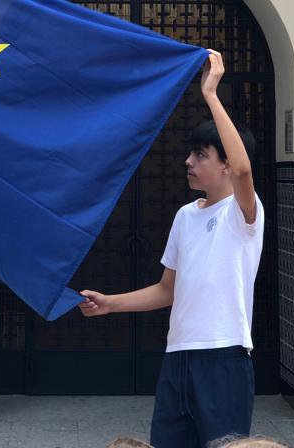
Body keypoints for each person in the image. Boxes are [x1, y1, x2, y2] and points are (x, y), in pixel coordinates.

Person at [79, 49, 264, 448]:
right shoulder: (185, 216)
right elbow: (167, 290)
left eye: (200, 155)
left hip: (225, 357)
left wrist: (211, 95)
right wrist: (110, 303)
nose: (188, 161)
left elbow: (246, 170)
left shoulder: (244, 212)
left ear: (226, 165)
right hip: (177, 357)